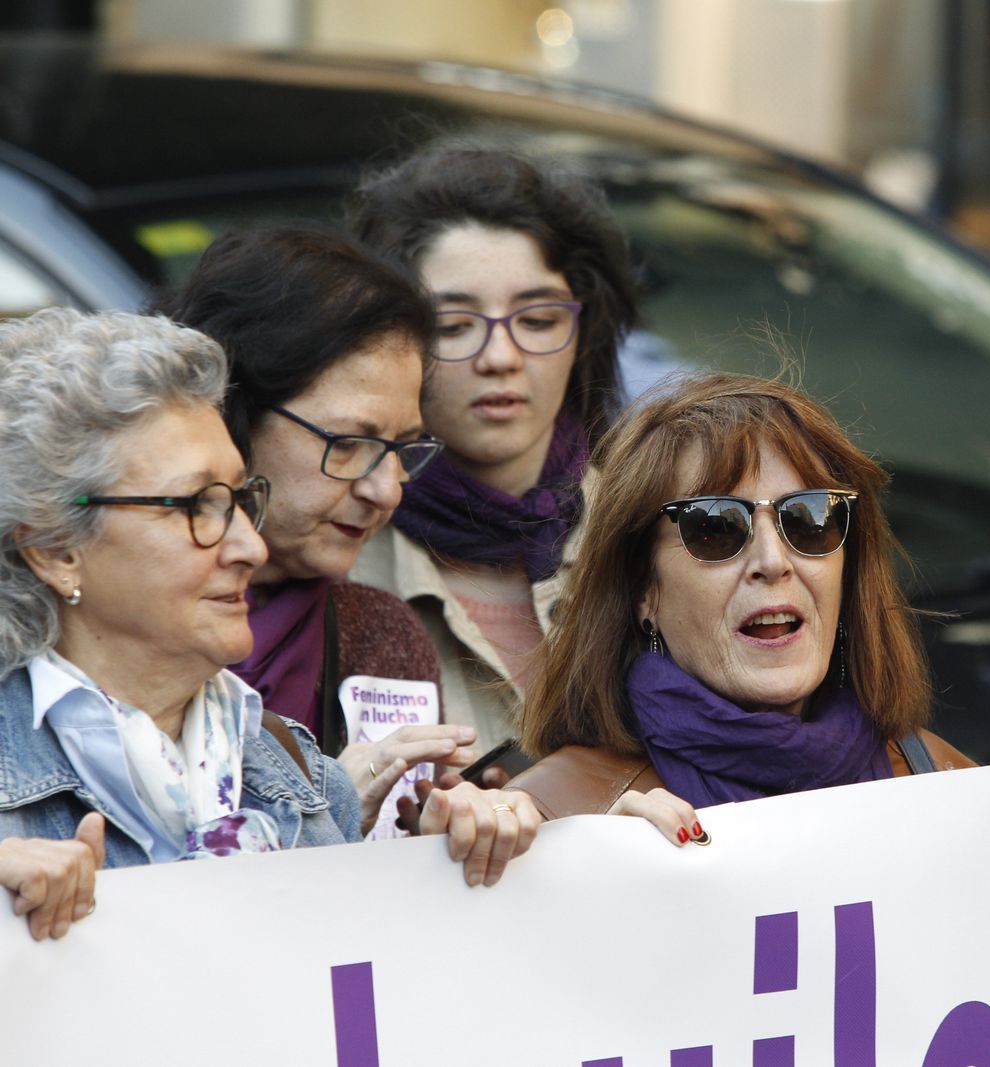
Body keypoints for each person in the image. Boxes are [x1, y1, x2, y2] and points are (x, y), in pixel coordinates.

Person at [0, 309, 542, 940]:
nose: (249, 548)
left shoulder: (294, 765)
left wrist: (448, 860)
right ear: (55, 548)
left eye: (238, 500)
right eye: (196, 507)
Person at [506, 373, 974, 835]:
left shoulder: (943, 780)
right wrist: (596, 878)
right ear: (642, 589)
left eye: (809, 520)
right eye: (715, 528)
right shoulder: (553, 818)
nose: (773, 561)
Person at [157, 226, 487, 836]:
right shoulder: (115, 620)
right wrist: (321, 810)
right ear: (234, 412)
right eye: (350, 443)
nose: (386, 489)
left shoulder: (382, 637)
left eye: (403, 448)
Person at [348, 145, 640, 754]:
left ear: (583, 332)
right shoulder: (331, 559)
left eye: (537, 320)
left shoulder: (654, 534)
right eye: (453, 326)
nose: (500, 358)